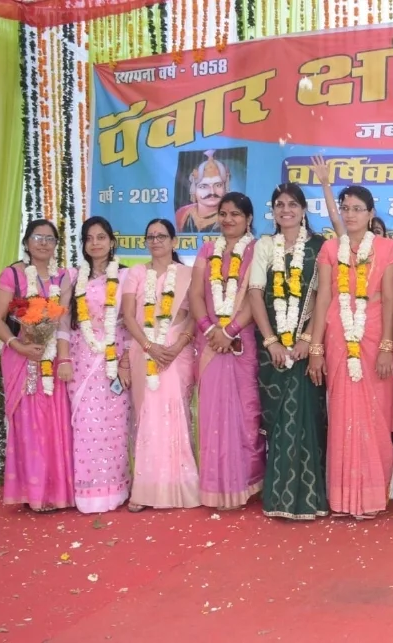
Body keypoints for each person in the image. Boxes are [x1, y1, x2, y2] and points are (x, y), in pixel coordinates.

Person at [308, 185, 393, 519]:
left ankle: (373, 494)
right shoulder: (330, 248)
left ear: (371, 213)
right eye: (345, 208)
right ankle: (344, 497)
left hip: (375, 333)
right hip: (338, 334)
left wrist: (387, 345)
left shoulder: (388, 248)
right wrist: (316, 347)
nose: (350, 214)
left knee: (376, 414)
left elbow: (389, 298)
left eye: (357, 208)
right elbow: (323, 297)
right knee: (342, 411)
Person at [247, 183, 329, 520]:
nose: (286, 210)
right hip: (273, 349)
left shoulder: (320, 247)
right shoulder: (265, 245)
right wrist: (271, 341)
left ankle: (311, 498)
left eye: (292, 204)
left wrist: (308, 339)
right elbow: (255, 292)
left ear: (304, 209)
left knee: (308, 416)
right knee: (280, 421)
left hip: (308, 345)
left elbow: (323, 296)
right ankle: (279, 497)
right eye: (279, 204)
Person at [0, 219, 75, 512]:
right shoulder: (12, 274)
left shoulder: (63, 277)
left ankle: (58, 492)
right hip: (22, 358)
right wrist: (19, 346)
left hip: (53, 359)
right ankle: (34, 493)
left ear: (56, 245)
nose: (43, 243)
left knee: (54, 422)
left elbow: (63, 323)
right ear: (26, 242)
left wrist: (64, 358)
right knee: (29, 424)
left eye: (50, 239)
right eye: (38, 237)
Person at [189, 192, 264, 510]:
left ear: (248, 219)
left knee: (246, 413)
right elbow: (195, 294)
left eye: (235, 214)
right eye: (223, 213)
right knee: (212, 415)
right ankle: (216, 486)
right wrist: (210, 330)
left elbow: (256, 296)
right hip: (210, 343)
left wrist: (229, 331)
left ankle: (245, 483)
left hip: (241, 343)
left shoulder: (259, 250)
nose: (228, 219)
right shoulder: (207, 250)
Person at [122, 219, 199, 511]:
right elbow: (129, 316)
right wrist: (149, 346)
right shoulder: (136, 273)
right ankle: (146, 489)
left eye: (162, 236)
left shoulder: (188, 274)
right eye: (150, 236)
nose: (156, 241)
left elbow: (196, 314)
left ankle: (179, 485)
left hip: (177, 350)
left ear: (174, 241)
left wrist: (177, 346)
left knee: (176, 413)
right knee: (148, 416)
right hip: (144, 349)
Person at [62, 216, 131, 513]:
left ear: (112, 241)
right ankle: (88, 491)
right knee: (85, 426)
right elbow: (63, 322)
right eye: (89, 238)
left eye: (101, 237)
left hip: (114, 360)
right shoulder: (72, 277)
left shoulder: (126, 276)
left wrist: (125, 361)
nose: (95, 243)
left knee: (115, 427)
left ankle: (115, 489)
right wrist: (64, 358)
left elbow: (131, 322)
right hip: (81, 361)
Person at [175, 150, 230, 233]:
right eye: (203, 186)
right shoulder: (182, 213)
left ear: (225, 187)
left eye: (218, 185)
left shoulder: (231, 216)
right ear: (194, 189)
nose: (212, 192)